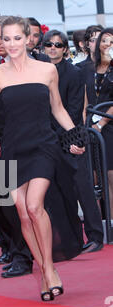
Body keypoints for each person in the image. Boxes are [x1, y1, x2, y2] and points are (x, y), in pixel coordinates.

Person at [0, 16, 85, 301]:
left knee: (33, 205)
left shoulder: (46, 70)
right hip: (13, 149)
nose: (12, 44)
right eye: (6, 39)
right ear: (0, 42)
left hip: (43, 145)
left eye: (18, 38)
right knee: (21, 212)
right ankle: (42, 269)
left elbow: (58, 109)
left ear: (29, 38)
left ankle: (50, 268)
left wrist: (76, 135)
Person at [43, 29, 104, 254]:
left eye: (58, 45)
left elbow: (75, 109)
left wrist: (66, 137)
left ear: (65, 49)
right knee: (61, 190)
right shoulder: (39, 71)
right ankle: (73, 238)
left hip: (71, 135)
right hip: (46, 139)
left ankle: (96, 235)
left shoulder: (74, 73)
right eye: (49, 44)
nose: (53, 48)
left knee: (82, 187)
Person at [83, 28, 113, 227]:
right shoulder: (88, 69)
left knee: (111, 176)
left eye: (112, 42)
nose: (108, 45)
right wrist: (86, 123)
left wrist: (101, 123)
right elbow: (84, 99)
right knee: (97, 177)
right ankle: (105, 223)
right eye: (105, 41)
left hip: (109, 127)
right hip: (91, 129)